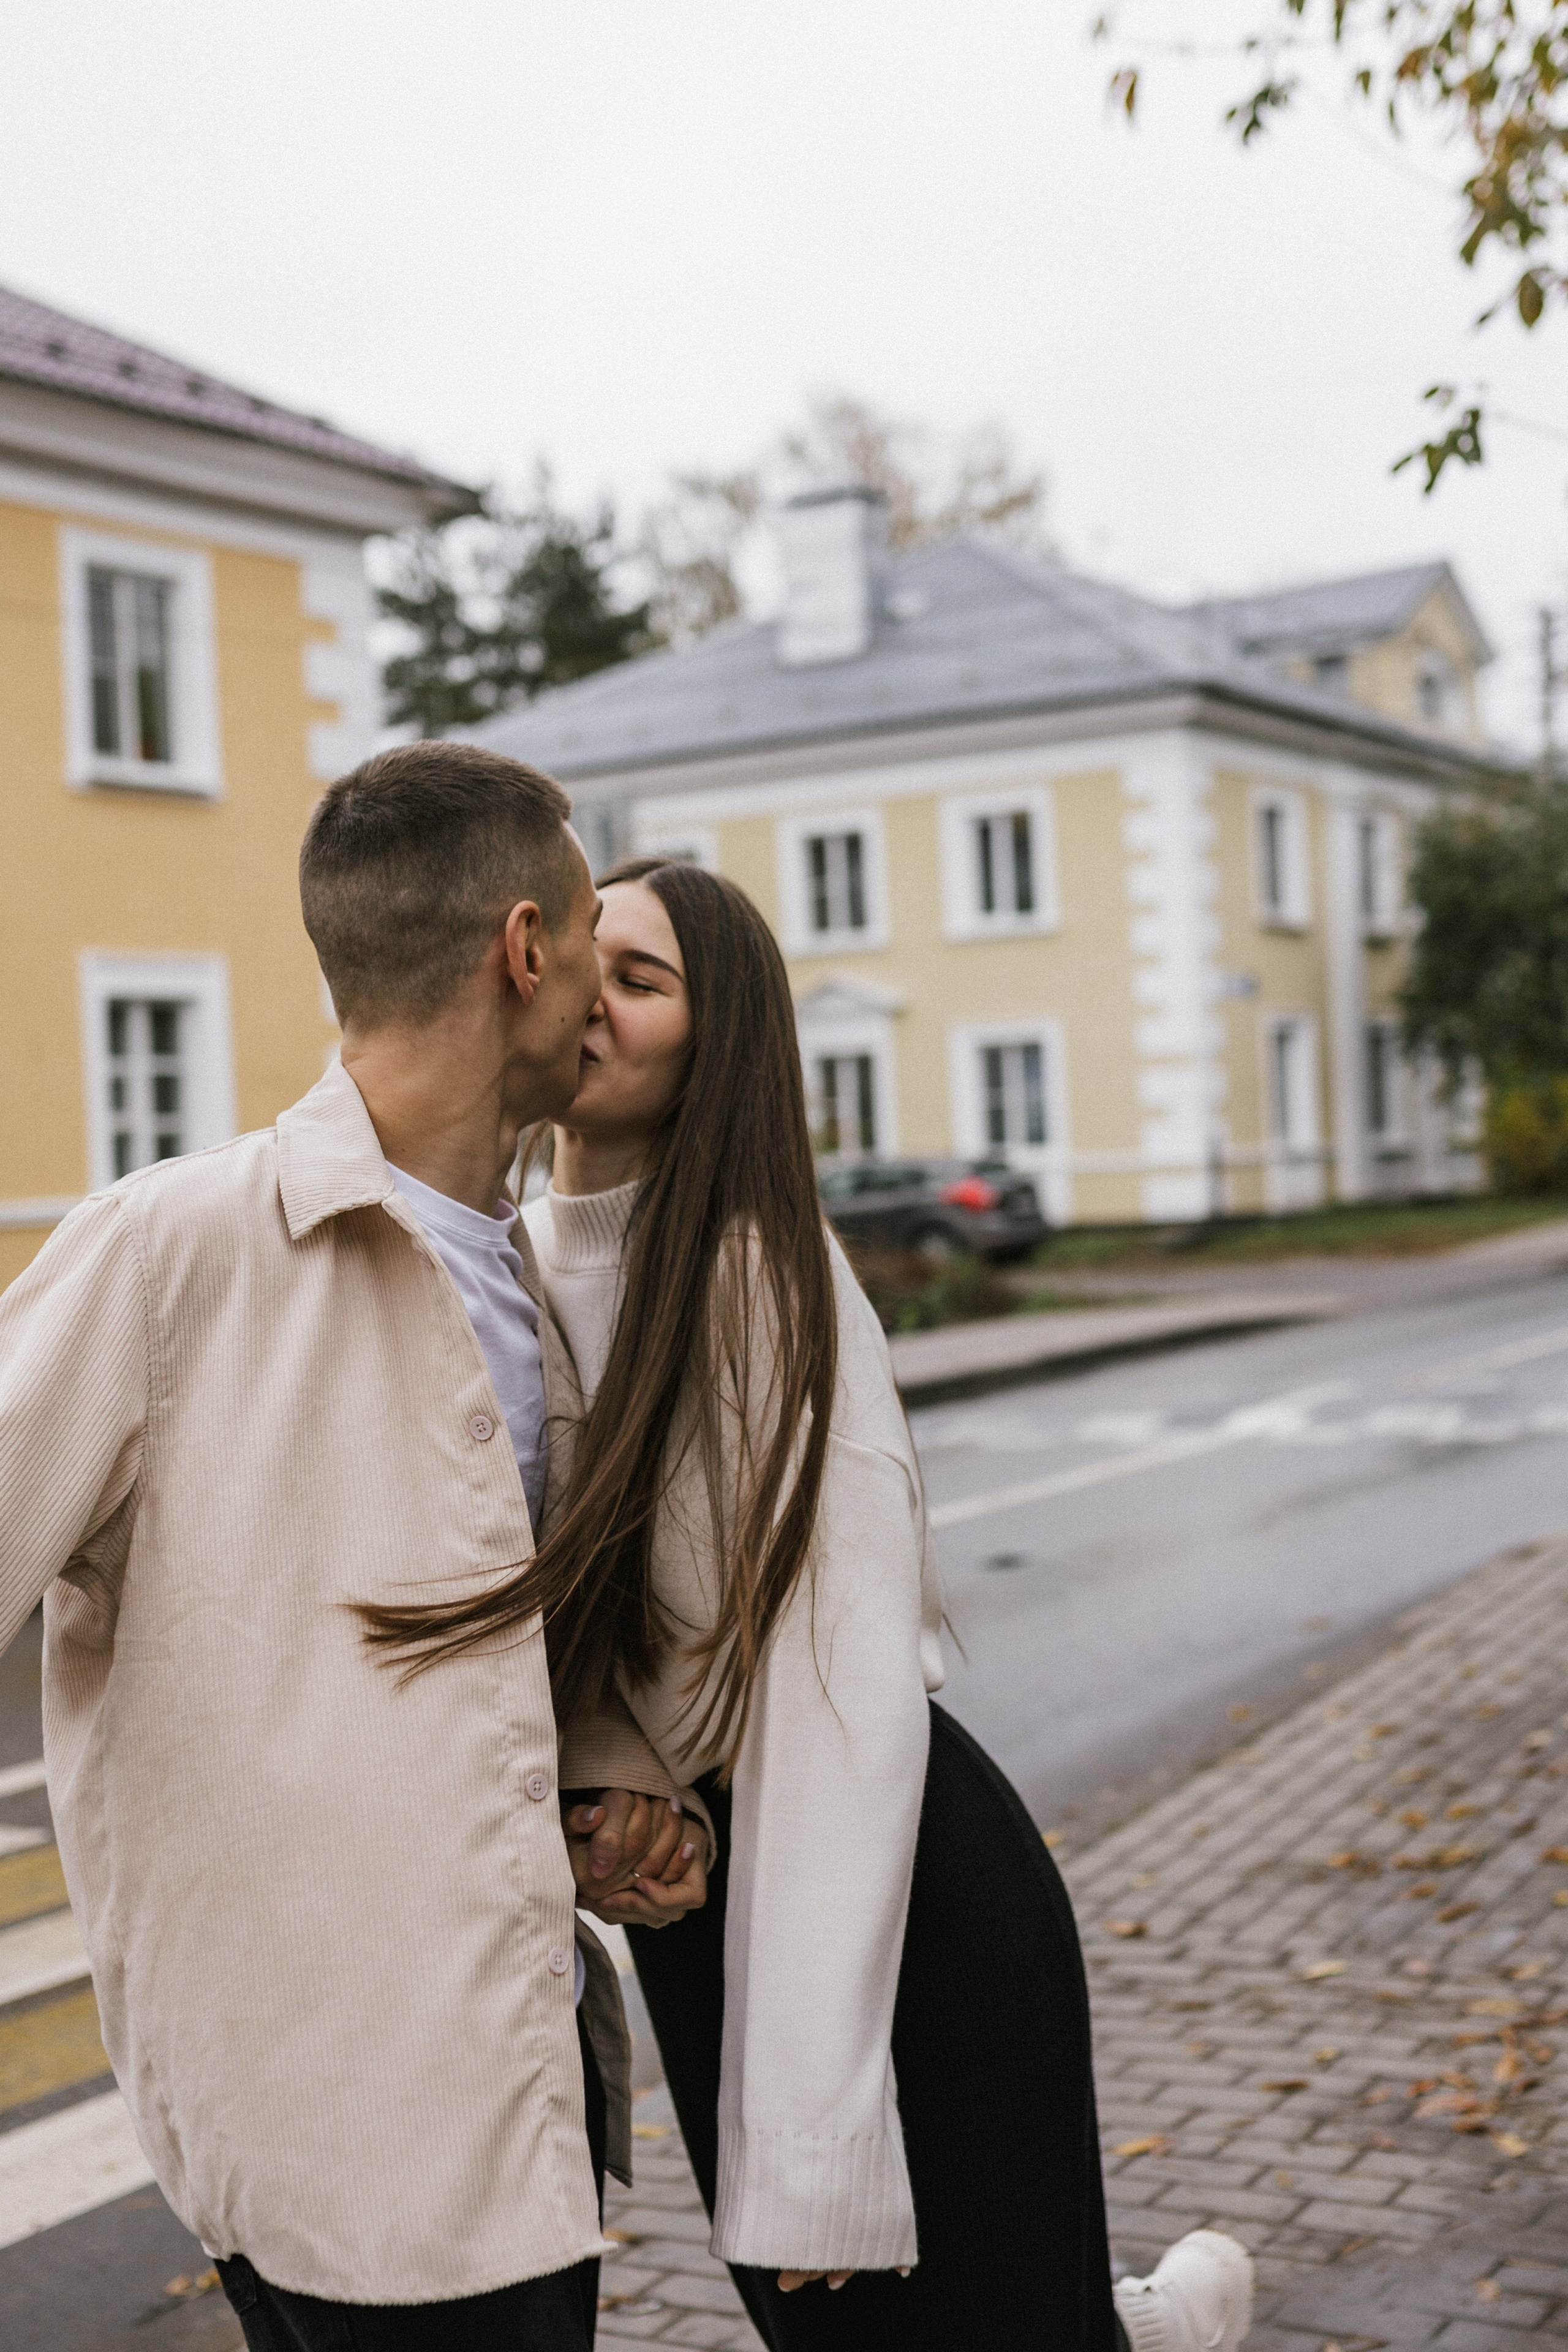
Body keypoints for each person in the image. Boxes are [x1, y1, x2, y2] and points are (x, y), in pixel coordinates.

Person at [363, 855, 1256, 2352]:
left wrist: (815, 2124)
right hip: (707, 1909)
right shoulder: (492, 1278)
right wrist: (605, 1782)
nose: (593, 999)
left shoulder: (762, 1283)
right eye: (588, 963)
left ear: (721, 1052)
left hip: (885, 1901)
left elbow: (836, 1694)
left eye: (641, 982)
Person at [0, 746, 704, 2352]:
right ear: (527, 949)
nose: (601, 975)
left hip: (516, 2092)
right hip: (327, 2140)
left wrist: (608, 1771)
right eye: (595, 928)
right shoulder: (170, 1251)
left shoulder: (541, 1289)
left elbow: (520, 1643)